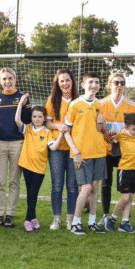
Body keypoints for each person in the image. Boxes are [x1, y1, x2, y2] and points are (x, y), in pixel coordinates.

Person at [64, 72, 107, 235]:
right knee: (86, 188)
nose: (94, 85)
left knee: (95, 188)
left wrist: (103, 125)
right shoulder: (75, 105)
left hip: (99, 152)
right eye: (91, 82)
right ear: (83, 85)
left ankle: (92, 222)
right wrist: (75, 152)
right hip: (82, 154)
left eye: (97, 82)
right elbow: (66, 131)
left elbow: (102, 130)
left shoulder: (100, 104)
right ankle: (75, 222)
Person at [99, 72, 135, 229]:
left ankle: (125, 218)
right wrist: (106, 135)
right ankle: (105, 215)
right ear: (109, 84)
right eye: (116, 82)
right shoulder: (101, 104)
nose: (119, 86)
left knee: (129, 184)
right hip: (106, 149)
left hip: (126, 152)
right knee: (106, 183)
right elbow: (97, 128)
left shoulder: (132, 106)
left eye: (122, 83)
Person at [0, 68, 31, 228]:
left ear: (15, 79)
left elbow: (27, 121)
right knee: (0, 181)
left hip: (17, 144)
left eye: (10, 78)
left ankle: (10, 215)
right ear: (0, 81)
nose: (7, 81)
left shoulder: (23, 98)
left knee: (14, 181)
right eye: (4, 79)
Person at [14, 95, 59, 232]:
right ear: (31, 118)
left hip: (39, 168)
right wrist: (21, 104)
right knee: (31, 193)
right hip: (26, 165)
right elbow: (17, 119)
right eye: (34, 117)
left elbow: (53, 147)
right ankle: (31, 219)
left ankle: (29, 219)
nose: (37, 119)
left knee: (33, 193)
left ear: (44, 118)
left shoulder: (48, 132)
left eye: (40, 117)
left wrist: (61, 134)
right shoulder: (27, 129)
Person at [45, 69, 79, 231]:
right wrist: (58, 126)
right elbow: (47, 123)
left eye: (67, 80)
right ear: (57, 84)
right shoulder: (52, 100)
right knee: (57, 185)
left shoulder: (79, 101)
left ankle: (70, 219)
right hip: (57, 148)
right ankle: (56, 219)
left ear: (72, 81)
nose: (65, 84)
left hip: (74, 149)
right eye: (61, 81)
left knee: (72, 185)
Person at [105, 113, 135, 234]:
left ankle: (125, 222)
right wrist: (110, 134)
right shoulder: (121, 135)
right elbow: (109, 139)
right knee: (125, 197)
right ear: (126, 127)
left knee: (131, 197)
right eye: (133, 129)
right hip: (125, 170)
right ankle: (112, 218)